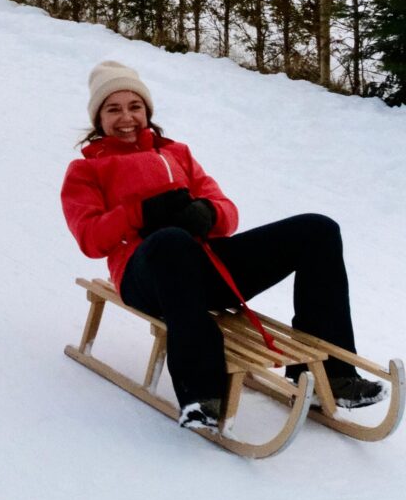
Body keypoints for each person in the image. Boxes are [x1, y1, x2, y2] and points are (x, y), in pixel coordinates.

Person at [60, 58, 385, 434]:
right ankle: (201, 392)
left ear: (146, 111)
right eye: (113, 109)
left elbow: (228, 213)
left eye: (134, 106)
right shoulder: (85, 171)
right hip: (147, 277)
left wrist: (208, 214)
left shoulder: (177, 154)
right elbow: (90, 237)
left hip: (207, 268)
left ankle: (334, 374)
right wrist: (139, 213)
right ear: (98, 119)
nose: (126, 117)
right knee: (170, 242)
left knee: (318, 230)